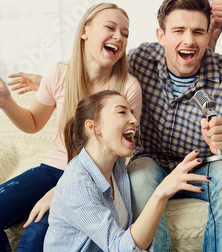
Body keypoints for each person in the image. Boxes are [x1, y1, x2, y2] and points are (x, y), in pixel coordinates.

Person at [0, 3, 142, 252]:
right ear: (85, 31)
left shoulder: (128, 88)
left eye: (125, 34)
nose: (119, 37)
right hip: (51, 169)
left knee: (33, 240)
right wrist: (6, 103)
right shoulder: (59, 74)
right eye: (110, 28)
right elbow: (33, 122)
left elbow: (119, 153)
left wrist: (62, 190)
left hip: (92, 176)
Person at [127, 0, 222, 252]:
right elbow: (94, 71)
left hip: (204, 168)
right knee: (138, 175)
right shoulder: (139, 60)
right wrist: (48, 81)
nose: (189, 41)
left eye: (198, 32)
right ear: (161, 36)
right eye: (178, 30)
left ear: (208, 35)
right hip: (152, 163)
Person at [44, 90, 210, 251]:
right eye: (122, 112)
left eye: (132, 112)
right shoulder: (78, 184)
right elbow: (119, 248)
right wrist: (161, 193)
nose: (134, 120)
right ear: (94, 127)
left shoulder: (117, 166)